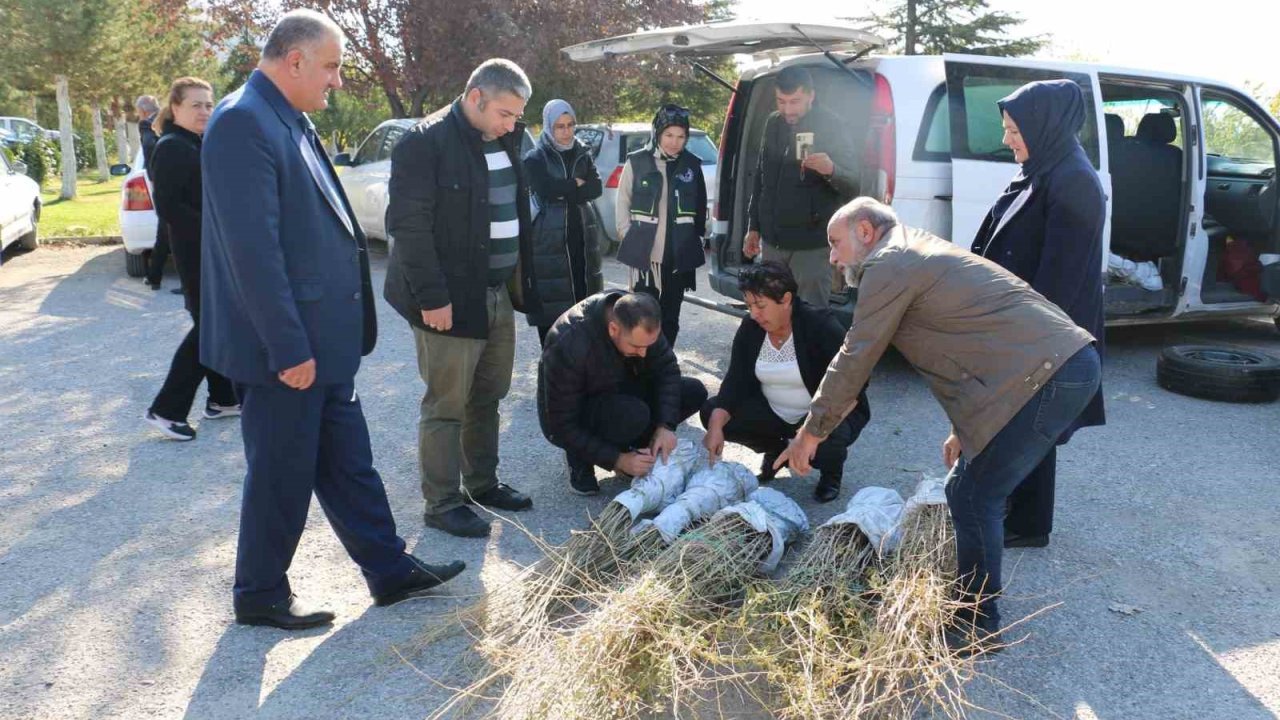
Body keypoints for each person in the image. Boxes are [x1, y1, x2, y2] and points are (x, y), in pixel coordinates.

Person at [200, 10, 465, 629]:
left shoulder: (285, 116)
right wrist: (289, 349)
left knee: (348, 461)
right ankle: (259, 592)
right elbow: (253, 255)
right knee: (281, 470)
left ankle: (389, 570)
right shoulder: (243, 122)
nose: (337, 81)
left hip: (325, 342)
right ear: (294, 61)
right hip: (289, 349)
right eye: (332, 67)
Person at [776, 198, 1100, 653]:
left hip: (1049, 375)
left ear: (865, 231)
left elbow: (856, 355)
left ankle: (978, 624)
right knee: (972, 491)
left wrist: (812, 430)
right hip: (1056, 368)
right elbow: (962, 344)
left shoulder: (889, 264)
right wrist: (961, 427)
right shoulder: (911, 252)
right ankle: (973, 611)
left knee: (973, 495)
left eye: (835, 243)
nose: (832, 257)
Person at [385, 59, 535, 539]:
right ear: (475, 98)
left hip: (496, 294)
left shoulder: (504, 137)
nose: (512, 125)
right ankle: (442, 503)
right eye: (505, 114)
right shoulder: (422, 143)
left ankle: (482, 483)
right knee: (446, 405)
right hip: (446, 300)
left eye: (517, 117)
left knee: (488, 396)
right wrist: (432, 297)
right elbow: (408, 228)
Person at [969, 79, 1106, 550]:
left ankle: (1028, 524)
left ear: (1044, 125)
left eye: (1014, 130)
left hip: (1045, 333)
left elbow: (1062, 278)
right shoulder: (1041, 168)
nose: (1007, 139)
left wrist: (1024, 338)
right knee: (1025, 422)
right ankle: (1018, 512)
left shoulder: (1074, 182)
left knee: (1033, 423)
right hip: (1019, 323)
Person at [700, 261, 870, 503]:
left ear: (786, 299)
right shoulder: (751, 327)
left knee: (828, 441)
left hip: (823, 413)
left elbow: (853, 386)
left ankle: (831, 472)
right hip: (774, 411)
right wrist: (715, 429)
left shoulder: (819, 325)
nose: (754, 314)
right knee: (712, 412)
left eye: (760, 305)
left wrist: (809, 434)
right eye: (749, 305)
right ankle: (776, 448)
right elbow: (734, 382)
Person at [141, 77, 239, 441]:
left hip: (210, 252)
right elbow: (169, 207)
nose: (204, 111)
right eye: (196, 104)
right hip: (198, 255)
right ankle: (166, 409)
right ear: (176, 107)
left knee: (213, 324)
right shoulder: (171, 147)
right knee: (210, 328)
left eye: (208, 104)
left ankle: (224, 399)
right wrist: (217, 232)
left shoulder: (194, 142)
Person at [539, 291, 708, 495]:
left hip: (621, 389)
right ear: (613, 329)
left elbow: (667, 370)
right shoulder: (569, 342)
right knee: (633, 415)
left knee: (693, 392)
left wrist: (666, 426)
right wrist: (616, 459)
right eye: (636, 346)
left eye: (648, 346)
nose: (644, 353)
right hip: (578, 409)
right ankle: (580, 459)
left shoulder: (641, 316)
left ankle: (637, 449)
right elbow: (559, 424)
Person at [743, 66, 860, 309]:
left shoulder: (832, 125)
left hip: (812, 246)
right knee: (772, 314)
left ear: (811, 96)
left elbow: (853, 185)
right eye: (781, 101)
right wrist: (753, 227)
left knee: (810, 319)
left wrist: (831, 170)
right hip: (773, 244)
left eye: (795, 101)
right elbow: (761, 179)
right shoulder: (773, 123)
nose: (788, 110)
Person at [614, 103, 707, 348]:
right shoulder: (637, 161)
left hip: (678, 256)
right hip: (646, 256)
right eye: (669, 135)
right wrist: (627, 234)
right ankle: (642, 361)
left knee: (671, 316)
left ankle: (664, 361)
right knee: (642, 315)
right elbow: (622, 201)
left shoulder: (692, 165)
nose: (674, 142)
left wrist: (698, 239)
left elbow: (700, 207)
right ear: (657, 133)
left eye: (680, 136)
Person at [522, 99, 604, 345]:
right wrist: (574, 185)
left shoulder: (582, 152)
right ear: (549, 126)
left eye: (570, 125)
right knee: (552, 328)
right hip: (549, 243)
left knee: (585, 315)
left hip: (582, 239)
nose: (566, 131)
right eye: (560, 126)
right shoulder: (536, 158)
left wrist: (565, 189)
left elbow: (595, 188)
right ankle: (550, 380)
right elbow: (545, 189)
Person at [136, 94, 176, 293]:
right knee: (166, 231)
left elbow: (149, 149)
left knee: (166, 231)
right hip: (171, 181)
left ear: (142, 111)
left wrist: (154, 174)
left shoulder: (147, 126)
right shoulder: (171, 121)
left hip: (162, 183)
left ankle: (155, 277)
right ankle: (155, 276)